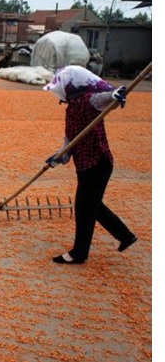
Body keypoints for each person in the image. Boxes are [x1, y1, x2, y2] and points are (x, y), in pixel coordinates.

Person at [47, 68, 137, 267]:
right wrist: (58, 157)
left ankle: (79, 253)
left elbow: (104, 100)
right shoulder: (72, 107)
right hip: (87, 166)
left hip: (97, 164)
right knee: (92, 206)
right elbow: (70, 140)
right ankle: (125, 235)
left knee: (84, 208)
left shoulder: (87, 100)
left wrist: (115, 96)